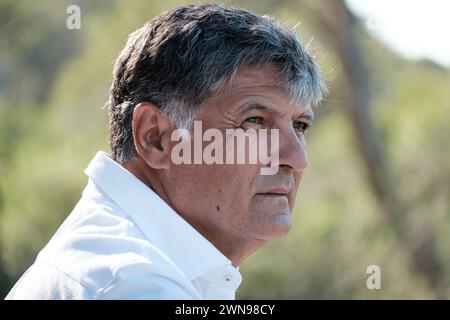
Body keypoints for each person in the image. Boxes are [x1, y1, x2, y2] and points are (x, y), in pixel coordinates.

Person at [6, 3, 326, 300]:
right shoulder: (135, 283)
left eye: (299, 126)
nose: (297, 160)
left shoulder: (134, 266)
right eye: (255, 121)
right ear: (156, 138)